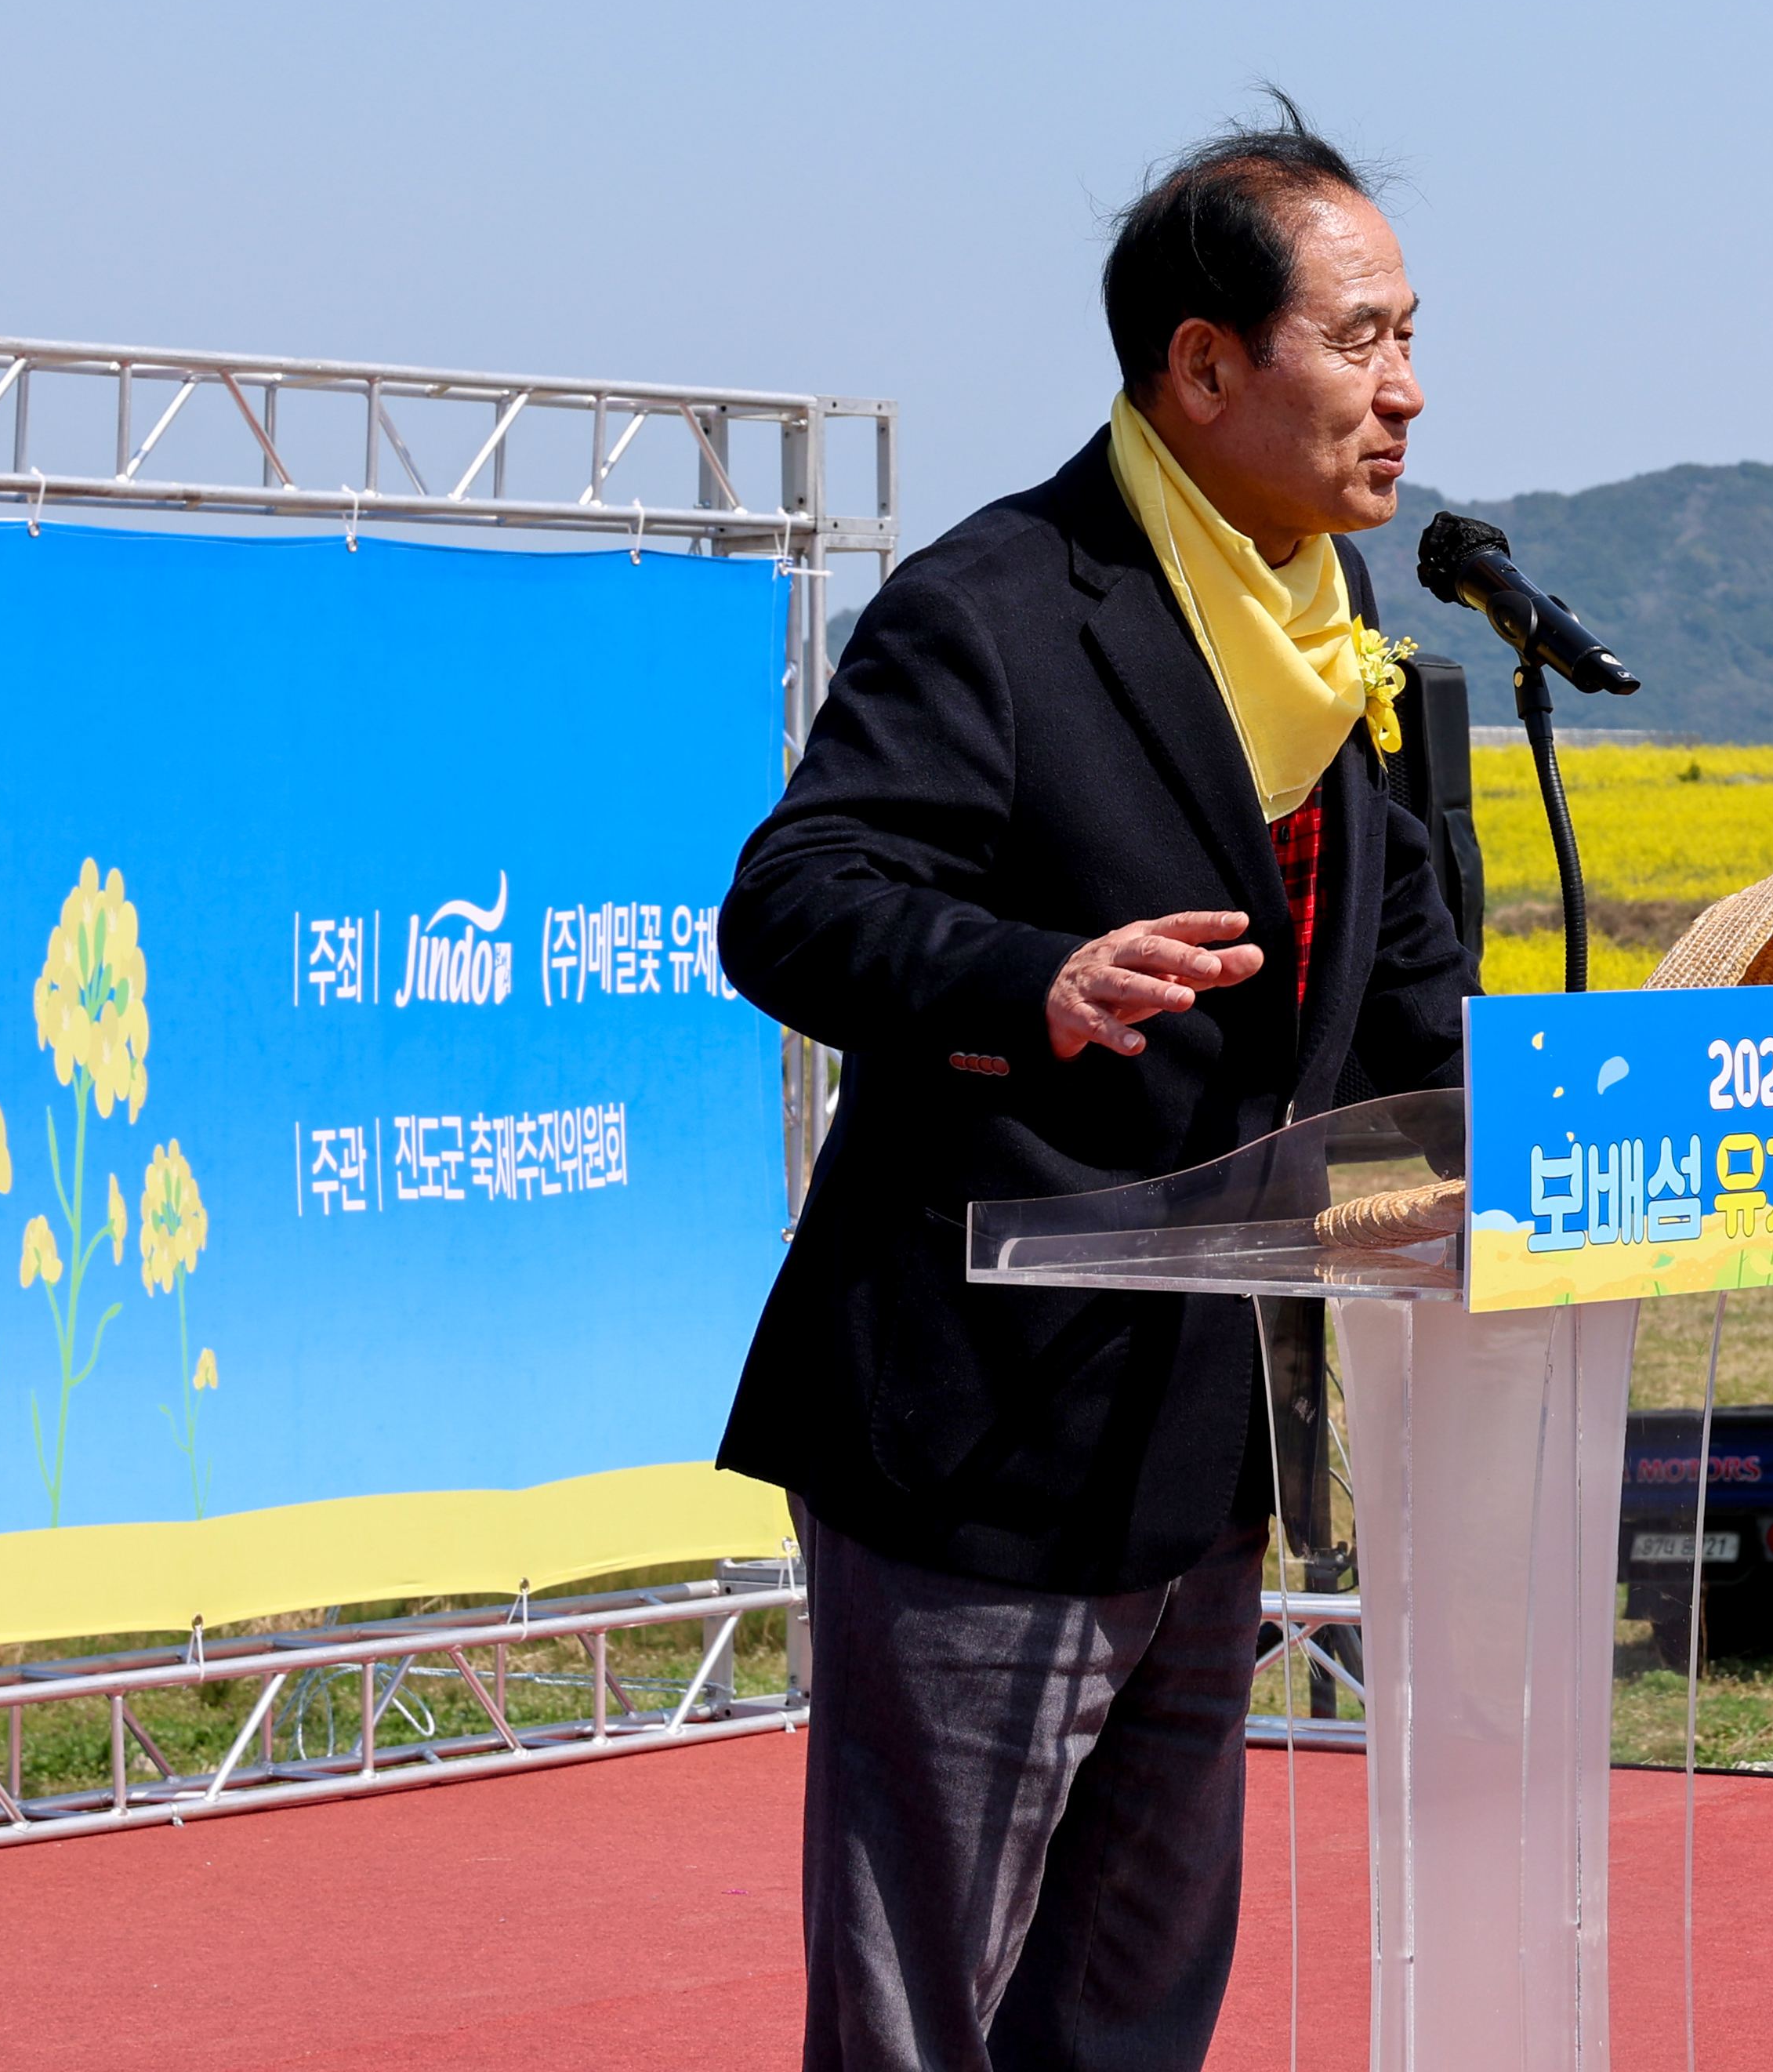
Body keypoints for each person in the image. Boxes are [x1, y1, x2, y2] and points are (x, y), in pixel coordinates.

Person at [716, 107, 1474, 2072]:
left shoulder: (1345, 640)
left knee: (1134, 2005)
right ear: (1203, 363)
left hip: (1203, 1437)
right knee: (925, 2015)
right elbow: (794, 903)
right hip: (978, 1431)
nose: (1408, 388)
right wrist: (1025, 978)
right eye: (1364, 336)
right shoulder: (1004, 598)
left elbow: (1397, 1029)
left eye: (1414, 337)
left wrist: (1589, 1099)